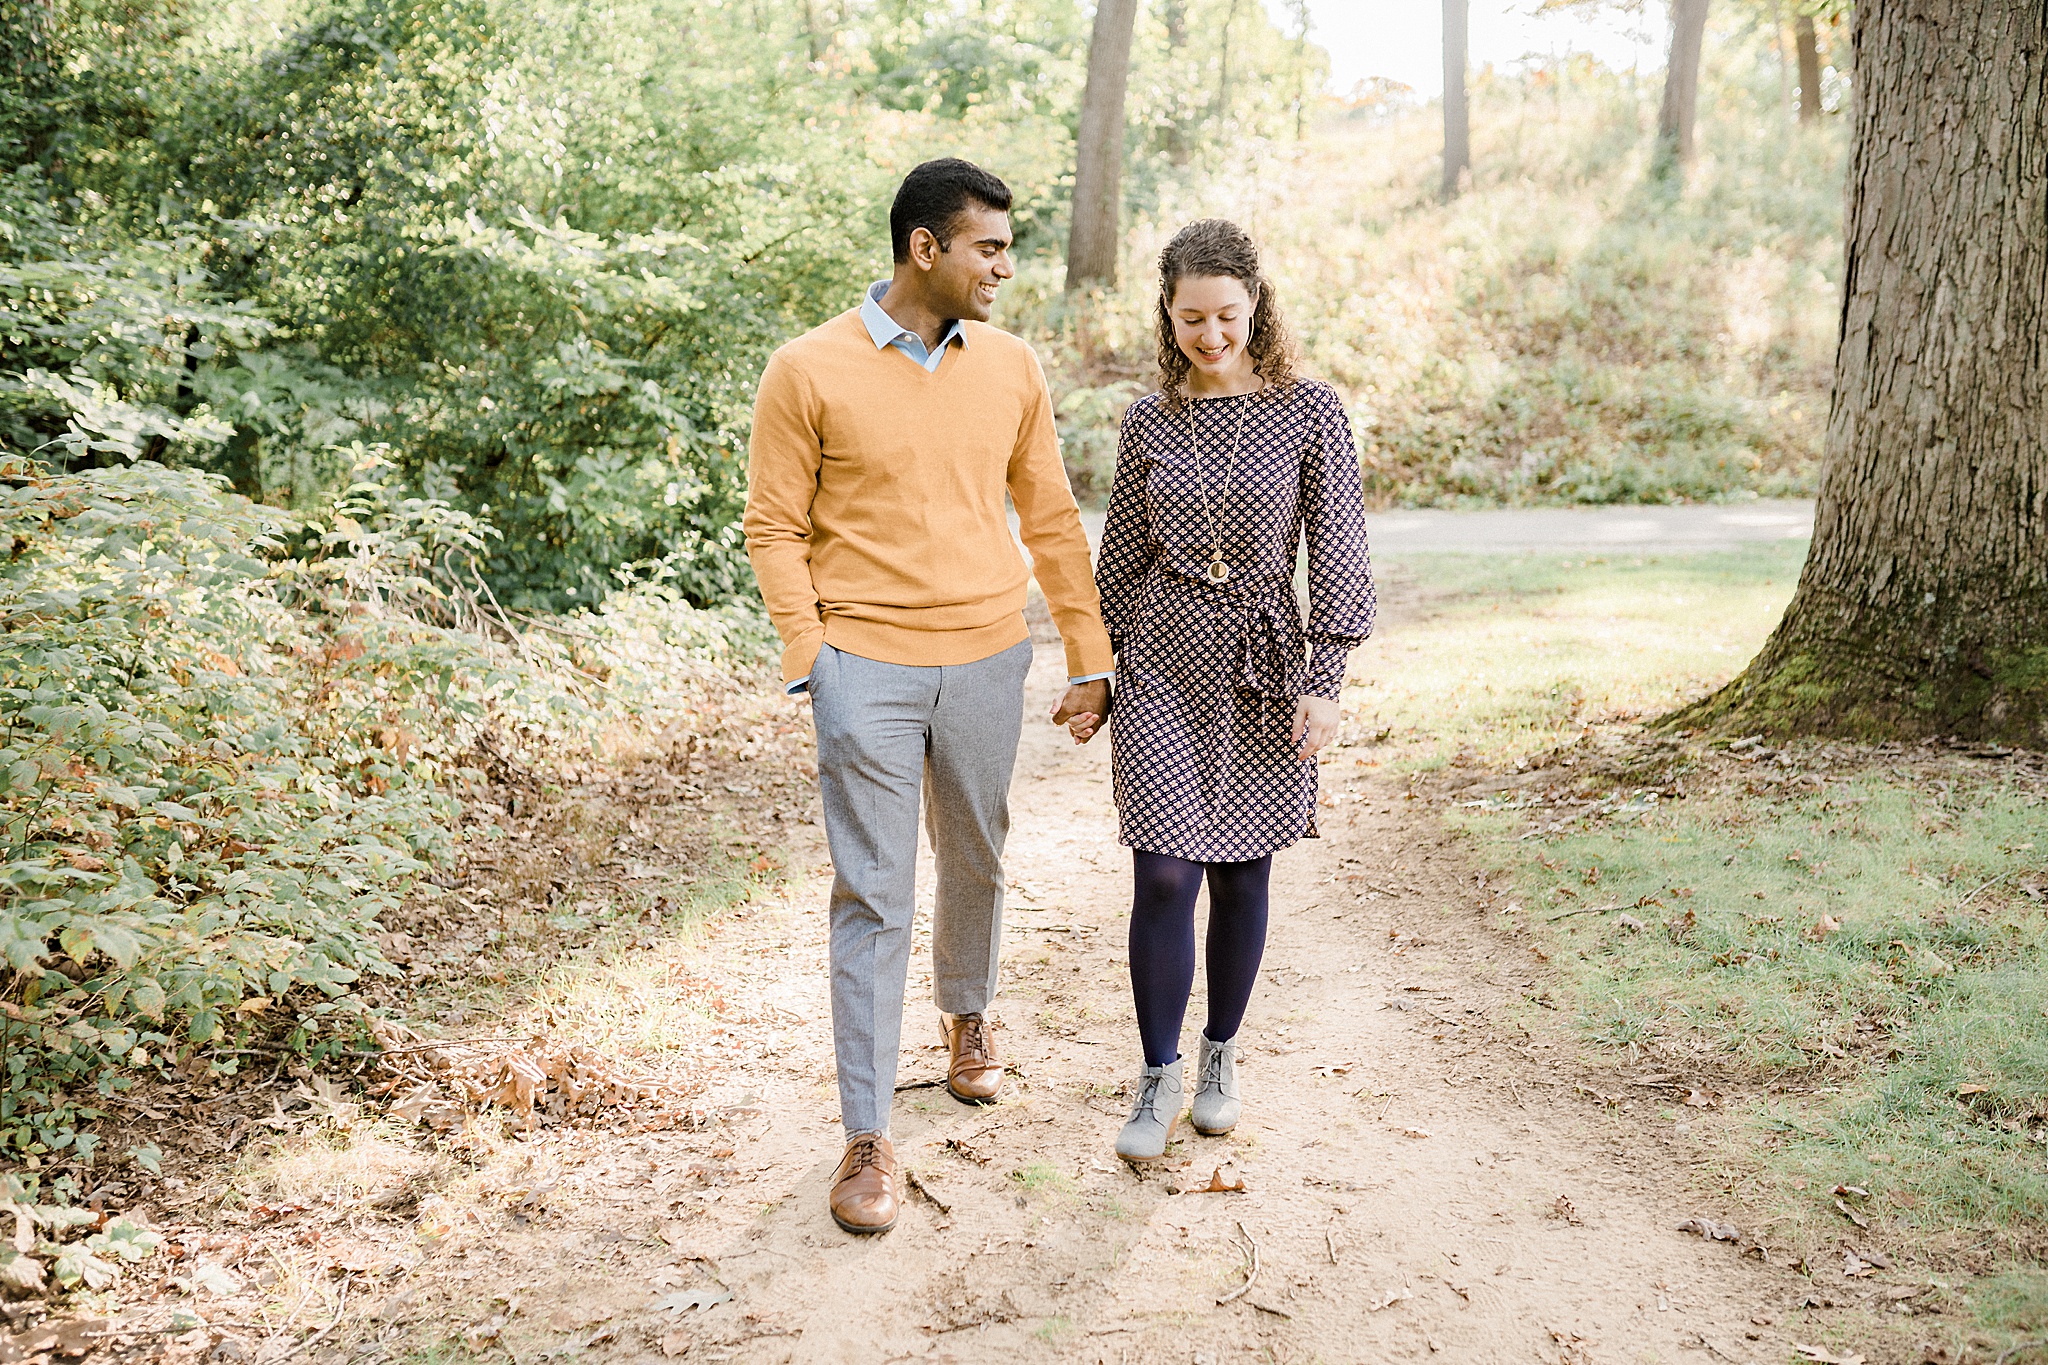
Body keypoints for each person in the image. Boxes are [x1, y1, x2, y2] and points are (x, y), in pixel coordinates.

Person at [742, 159, 1114, 1234]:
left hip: (989, 654)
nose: (1004, 267)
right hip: (862, 662)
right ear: (924, 249)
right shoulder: (804, 369)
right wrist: (811, 655)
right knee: (872, 889)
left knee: (977, 851)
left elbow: (1047, 515)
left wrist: (1084, 653)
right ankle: (865, 1134)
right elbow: (773, 525)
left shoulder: (1010, 367)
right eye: (987, 248)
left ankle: (965, 1018)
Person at [1072, 218, 1376, 1163]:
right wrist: (1094, 672)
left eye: (1227, 315)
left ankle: (1219, 1056)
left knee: (1244, 873)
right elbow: (1119, 558)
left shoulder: (1311, 411)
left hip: (1264, 660)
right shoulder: (1150, 420)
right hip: (1163, 654)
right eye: (1192, 316)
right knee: (1163, 871)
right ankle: (1156, 1070)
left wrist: (1323, 681)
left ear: (1256, 307)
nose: (1211, 334)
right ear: (1168, 313)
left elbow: (1340, 553)